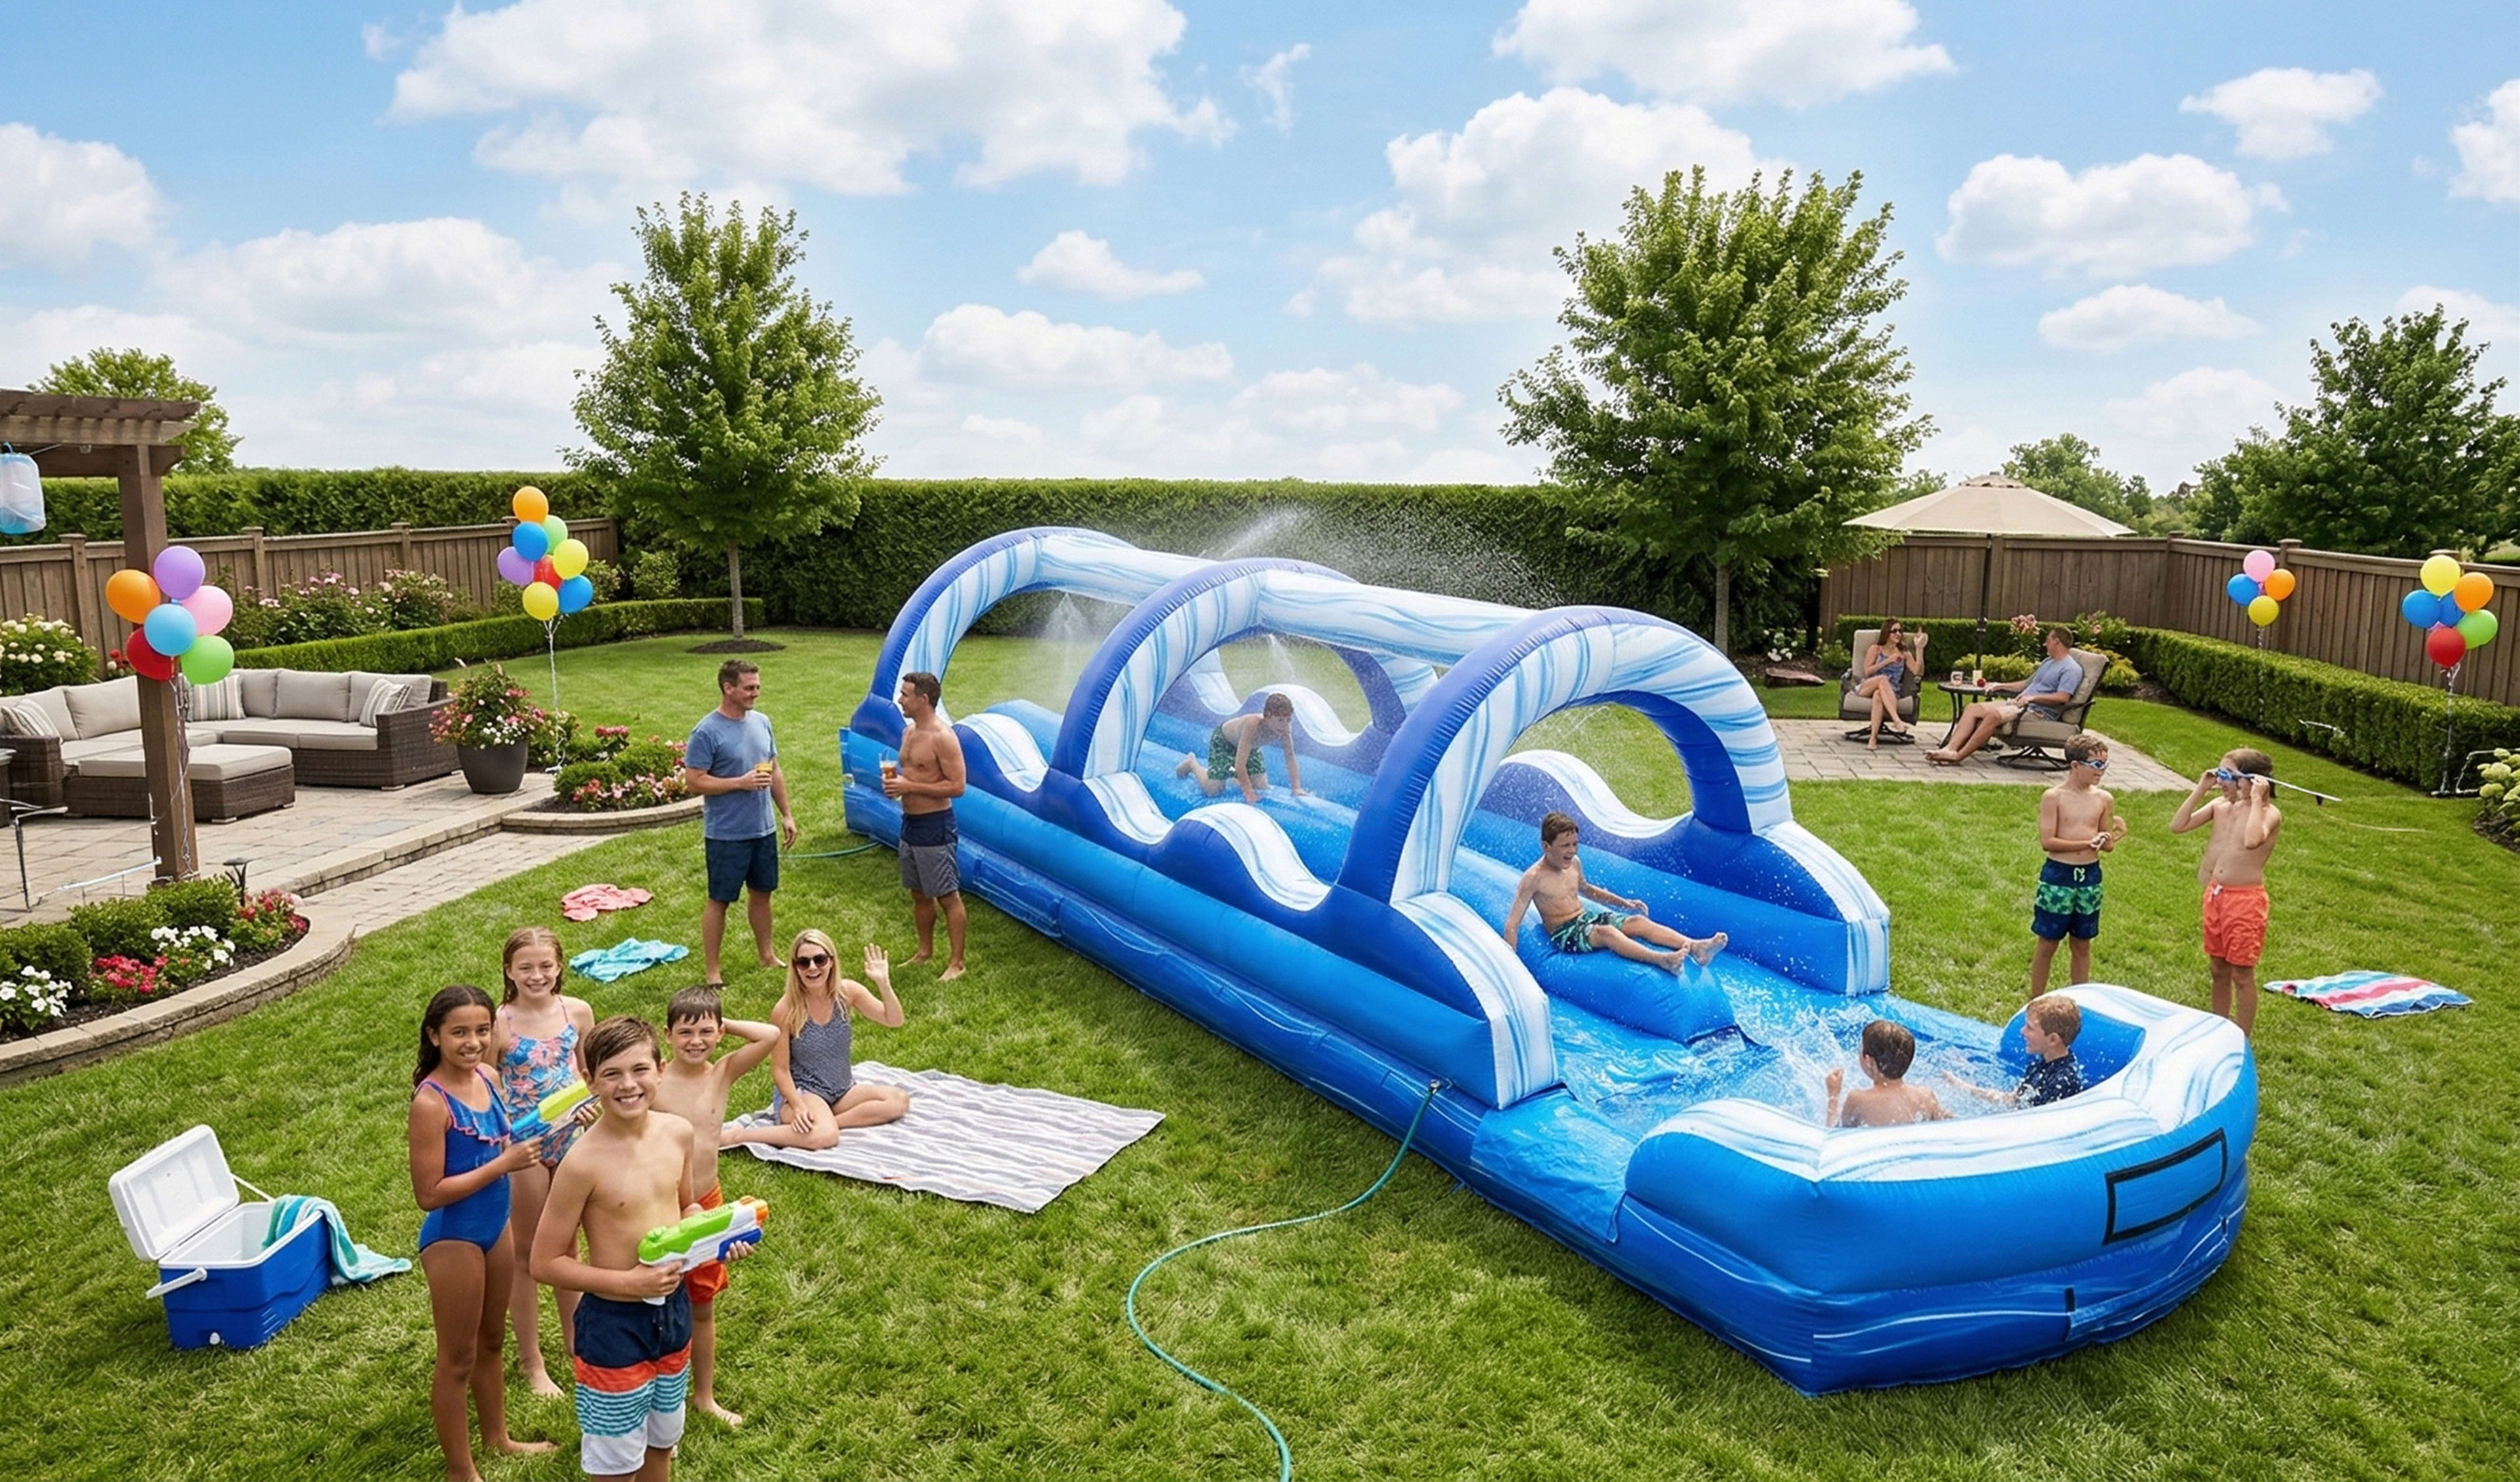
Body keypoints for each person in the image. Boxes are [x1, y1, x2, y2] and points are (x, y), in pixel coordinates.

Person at [533, 1017, 744, 1482]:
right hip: (613, 1326)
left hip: (673, 1316)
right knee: (615, 1466)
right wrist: (628, 1282)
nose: (628, 1085)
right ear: (589, 1082)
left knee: (661, 1446)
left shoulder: (677, 1133)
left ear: (660, 1069)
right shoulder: (581, 1163)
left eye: (639, 1070)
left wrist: (713, 1238)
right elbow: (544, 1262)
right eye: (611, 1074)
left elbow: (686, 1206)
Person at [408, 984, 555, 1481]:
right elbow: (429, 1193)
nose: (472, 1042)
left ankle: (498, 1438)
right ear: (435, 1036)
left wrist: (556, 1120)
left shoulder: (489, 1077)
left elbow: (504, 1140)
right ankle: (461, 1471)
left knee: (493, 1340)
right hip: (455, 1237)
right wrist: (503, 1166)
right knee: (458, 1357)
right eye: (459, 1033)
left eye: (481, 1030)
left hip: (496, 1227)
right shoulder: (431, 1103)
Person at [650, 986, 778, 1429]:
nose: (696, 1041)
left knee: (702, 1303)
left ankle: (704, 1396)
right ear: (667, 1035)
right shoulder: (655, 1079)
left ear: (720, 1034)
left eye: (706, 1031)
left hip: (706, 1201)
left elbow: (770, 1035)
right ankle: (655, 1396)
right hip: (662, 1204)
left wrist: (726, 1025)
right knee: (657, 1300)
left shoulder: (720, 1073)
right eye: (685, 1032)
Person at [490, 925, 597, 1398]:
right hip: (525, 1145)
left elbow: (590, 1071)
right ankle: (532, 1362)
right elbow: (486, 1085)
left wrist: (594, 1104)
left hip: (572, 1138)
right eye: (526, 967)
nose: (537, 975)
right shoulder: (500, 1022)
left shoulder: (577, 1011)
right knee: (528, 1254)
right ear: (509, 971)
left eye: (546, 966)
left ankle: (578, 1346)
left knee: (568, 1247)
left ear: (560, 967)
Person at [721, 931, 910, 1153]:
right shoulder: (786, 1009)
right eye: (804, 962)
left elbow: (894, 1020)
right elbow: (780, 1070)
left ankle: (829, 1121)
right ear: (795, 967)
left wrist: (884, 984)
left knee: (899, 1100)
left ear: (831, 961)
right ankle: (738, 1135)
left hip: (842, 1090)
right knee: (825, 1136)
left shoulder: (848, 993)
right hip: (804, 1092)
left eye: (820, 960)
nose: (812, 968)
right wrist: (799, 1106)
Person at [682, 659, 797, 987]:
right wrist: (739, 782)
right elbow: (694, 782)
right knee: (720, 900)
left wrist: (786, 814)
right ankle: (713, 971)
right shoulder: (706, 731)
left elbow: (774, 770)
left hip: (763, 829)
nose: (756, 694)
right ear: (728, 688)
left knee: (762, 894)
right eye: (749, 688)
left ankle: (766, 955)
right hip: (727, 835)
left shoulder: (762, 722)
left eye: (758, 687)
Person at [1502, 812, 1725, 973]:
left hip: (1585, 918)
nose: (1571, 851)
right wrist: (1511, 964)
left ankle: (1697, 947)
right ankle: (1662, 960)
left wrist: (1624, 903)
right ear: (1546, 846)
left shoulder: (1575, 863)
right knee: (1606, 933)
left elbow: (1587, 890)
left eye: (1574, 844)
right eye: (1565, 846)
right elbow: (1513, 924)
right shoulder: (1533, 879)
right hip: (1564, 933)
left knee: (1638, 922)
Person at [2170, 748, 2284, 1036]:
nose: (2220, 781)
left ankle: (2241, 1038)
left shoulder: (2269, 813)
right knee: (2217, 968)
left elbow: (2251, 840)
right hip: (2216, 896)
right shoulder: (2221, 806)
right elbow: (2178, 826)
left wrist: (2257, 799)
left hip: (2244, 902)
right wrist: (2201, 788)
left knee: (2241, 975)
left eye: (2226, 776)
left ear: (2251, 780)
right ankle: (2218, 1029)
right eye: (2219, 773)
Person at [883, 670, 968, 980]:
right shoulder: (909, 733)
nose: (900, 700)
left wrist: (910, 787)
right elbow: (910, 776)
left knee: (947, 896)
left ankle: (957, 963)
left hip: (936, 825)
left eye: (905, 695)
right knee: (919, 893)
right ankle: (925, 951)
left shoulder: (942, 738)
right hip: (910, 823)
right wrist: (896, 785)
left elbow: (958, 787)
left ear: (924, 699)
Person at [2030, 734, 2126, 994]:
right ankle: (2035, 999)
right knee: (2048, 942)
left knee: (2083, 943)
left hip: (2091, 878)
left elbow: (2105, 845)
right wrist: (2087, 842)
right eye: (2096, 765)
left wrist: (2110, 838)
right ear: (2075, 766)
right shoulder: (2054, 797)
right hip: (2058, 876)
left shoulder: (2104, 799)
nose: (2101, 771)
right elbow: (2048, 841)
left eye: (2105, 765)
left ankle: (2079, 1000)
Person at [1929, 626, 2084, 765]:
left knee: (1993, 715)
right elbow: (2025, 684)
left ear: (2057, 642)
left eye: (2048, 640)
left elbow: (2063, 698)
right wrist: (2000, 685)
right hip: (2019, 704)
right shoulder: (2048, 662)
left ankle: (1958, 756)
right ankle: (1950, 749)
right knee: (1972, 709)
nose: (2045, 644)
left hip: (2038, 712)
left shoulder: (2071, 669)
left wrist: (2033, 698)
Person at [1947, 994, 2086, 1109]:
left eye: (2030, 1028)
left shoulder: (2063, 1081)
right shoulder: (2041, 1063)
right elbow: (2014, 1099)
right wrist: (1966, 1088)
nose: (2022, 1031)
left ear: (2052, 1040)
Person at [1174, 692, 1309, 802]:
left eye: (1288, 720)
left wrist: (1296, 788)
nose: (1284, 725)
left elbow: (1290, 757)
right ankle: (1192, 764)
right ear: (1267, 716)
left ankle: (1233, 775)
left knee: (1261, 787)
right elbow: (1240, 764)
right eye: (1280, 720)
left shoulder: (1285, 730)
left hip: (1249, 748)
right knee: (1213, 791)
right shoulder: (1253, 725)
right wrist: (1249, 793)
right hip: (1225, 743)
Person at [1823, 1019, 1951, 1127]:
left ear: (1868, 1061)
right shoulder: (1925, 1096)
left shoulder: (1858, 1099)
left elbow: (1834, 1135)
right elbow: (1950, 1122)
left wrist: (1833, 1095)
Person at [1851, 620, 1918, 750]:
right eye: (1894, 631)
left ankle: (1873, 739)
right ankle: (1897, 721)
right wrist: (1887, 661)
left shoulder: (1904, 653)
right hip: (1868, 686)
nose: (1898, 634)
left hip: (1890, 692)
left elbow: (1918, 671)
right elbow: (1867, 672)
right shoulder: (1876, 649)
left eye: (1900, 631)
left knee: (1878, 696)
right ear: (1887, 633)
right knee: (1882, 679)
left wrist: (1920, 649)